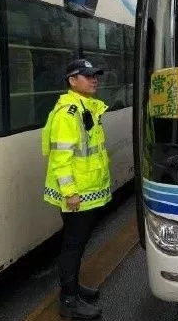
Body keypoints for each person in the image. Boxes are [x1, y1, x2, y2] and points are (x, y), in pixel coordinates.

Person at [41, 58, 110, 319]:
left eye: (95, 75)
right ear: (72, 81)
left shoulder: (86, 106)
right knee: (73, 245)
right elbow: (61, 158)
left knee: (77, 245)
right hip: (77, 195)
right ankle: (69, 300)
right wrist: (70, 192)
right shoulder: (68, 113)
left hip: (86, 191)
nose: (94, 80)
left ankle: (74, 289)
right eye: (87, 76)